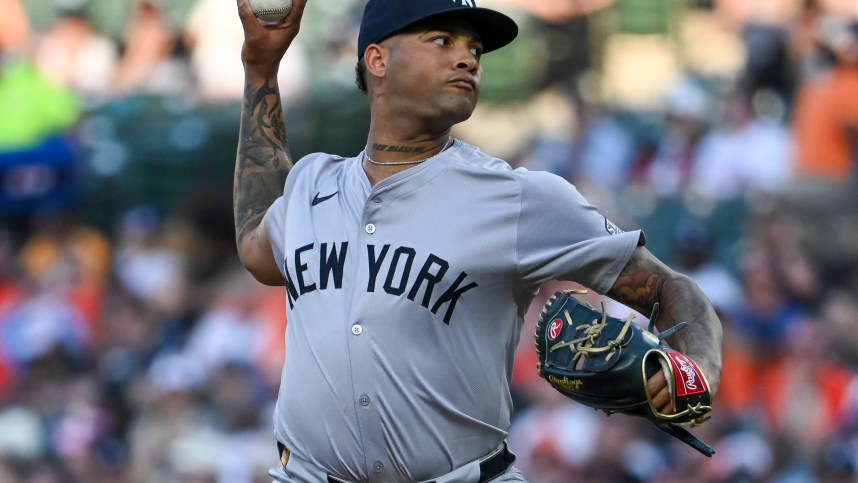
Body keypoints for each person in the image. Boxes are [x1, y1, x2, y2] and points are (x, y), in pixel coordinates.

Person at [232, 0, 723, 481]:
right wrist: (261, 67)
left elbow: (669, 287)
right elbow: (256, 240)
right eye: (442, 40)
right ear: (377, 59)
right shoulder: (312, 184)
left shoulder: (518, 197)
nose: (466, 58)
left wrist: (697, 367)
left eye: (474, 49)